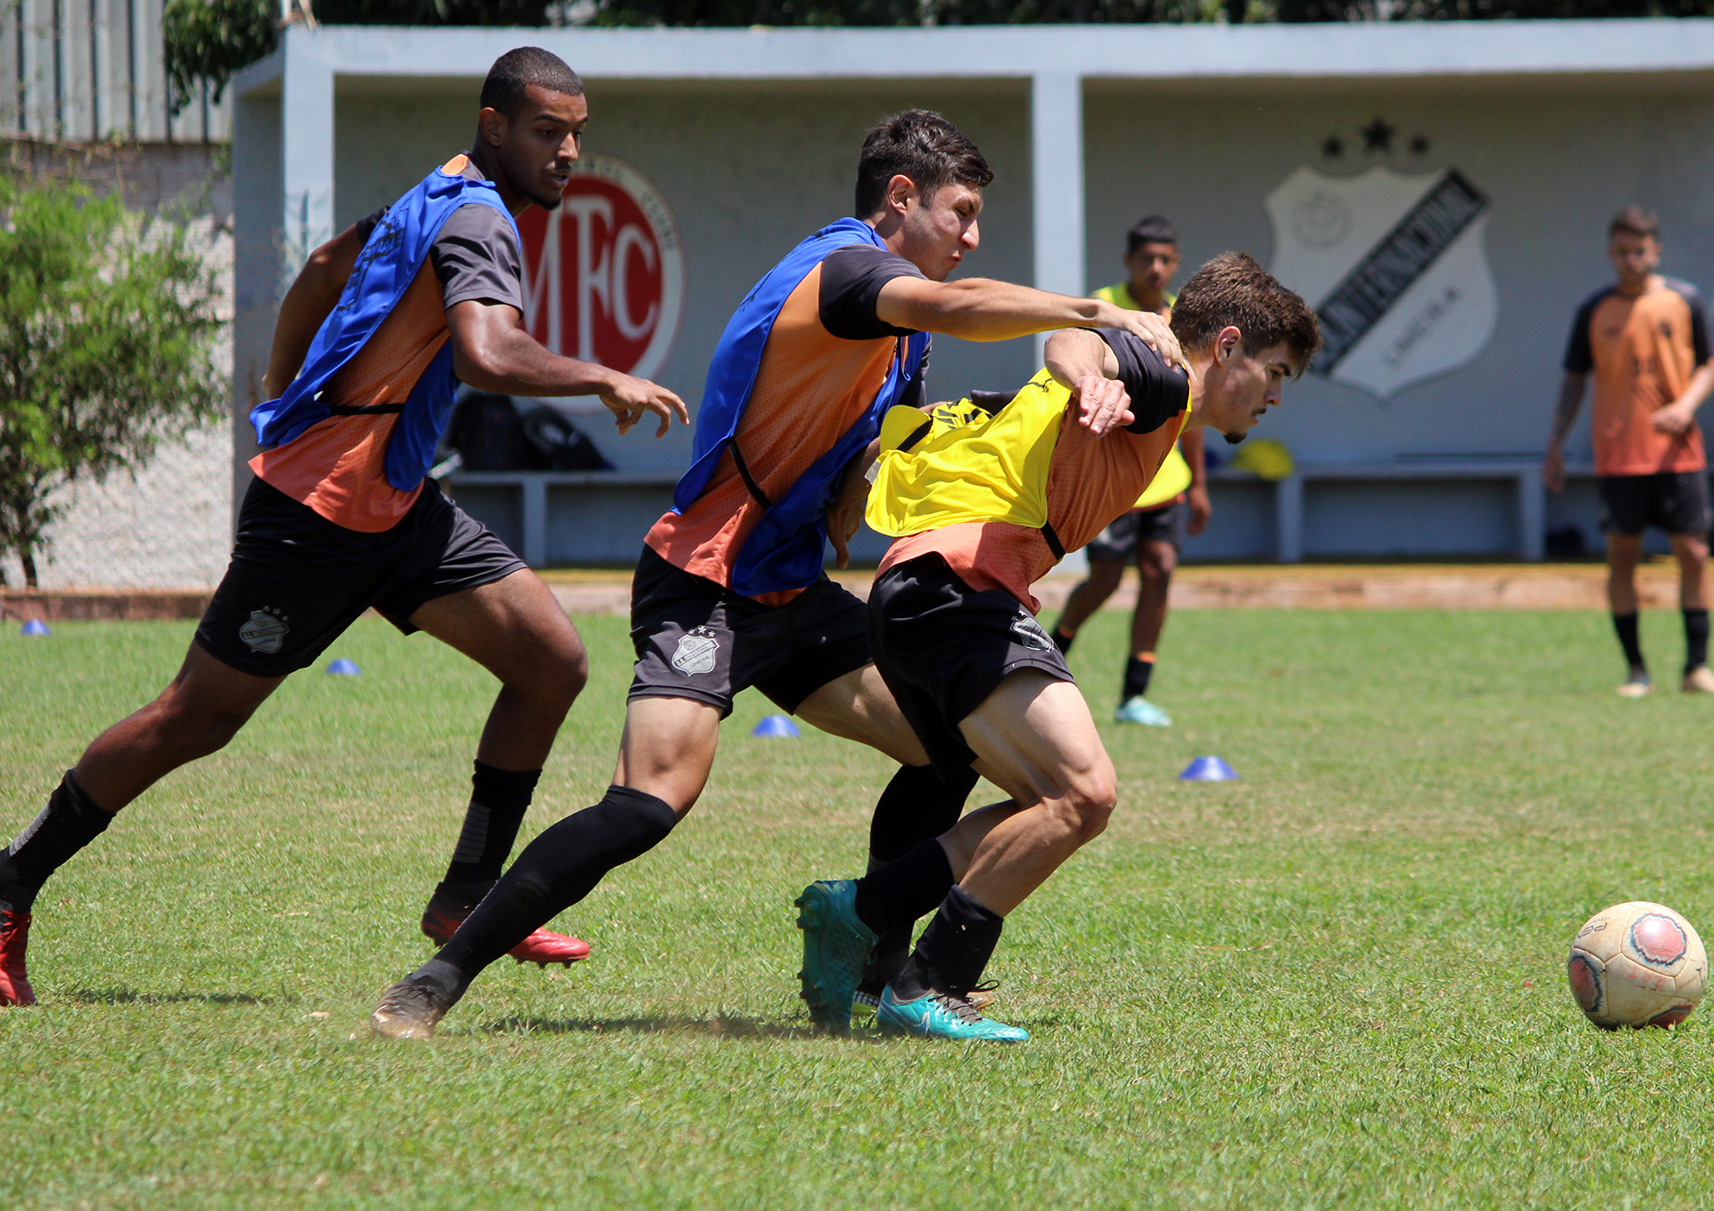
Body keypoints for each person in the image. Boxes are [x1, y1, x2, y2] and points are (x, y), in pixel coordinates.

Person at [367, 109, 1183, 1038]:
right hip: (703, 577)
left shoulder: (904, 333)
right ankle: (433, 980)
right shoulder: (844, 271)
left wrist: (856, 489)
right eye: (960, 211)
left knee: (943, 745)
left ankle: (878, 968)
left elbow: (886, 436)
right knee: (647, 803)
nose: (972, 233)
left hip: (792, 592)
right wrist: (1092, 312)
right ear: (900, 199)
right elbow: (953, 306)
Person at [0, 47, 690, 1008]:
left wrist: (281, 384)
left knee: (551, 659)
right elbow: (487, 349)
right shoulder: (478, 218)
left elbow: (321, 265)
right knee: (197, 718)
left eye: (578, 133)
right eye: (549, 132)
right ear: (494, 124)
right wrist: (601, 375)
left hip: (395, 503)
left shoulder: (434, 192)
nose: (569, 152)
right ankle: (6, 877)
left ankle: (466, 895)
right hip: (315, 516)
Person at [795, 252, 1321, 1042]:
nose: (1279, 394)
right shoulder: (1163, 371)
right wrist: (1091, 368)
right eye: (1275, 370)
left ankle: (862, 913)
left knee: (1037, 799)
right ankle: (927, 982)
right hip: (958, 588)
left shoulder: (1163, 397)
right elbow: (1079, 350)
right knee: (1083, 794)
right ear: (1228, 345)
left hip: (921, 589)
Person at [1544, 206, 1714, 698]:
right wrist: (1556, 444)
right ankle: (1636, 671)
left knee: (1693, 554)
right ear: (1611, 253)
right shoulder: (1593, 310)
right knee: (1623, 555)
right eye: (1623, 251)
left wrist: (1686, 405)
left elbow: (1709, 366)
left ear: (1656, 250)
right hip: (1619, 453)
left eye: (1641, 250)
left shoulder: (1684, 300)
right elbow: (1573, 380)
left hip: (1678, 453)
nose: (1632, 259)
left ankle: (1697, 669)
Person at [1050, 215, 1211, 727]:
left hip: (1169, 481)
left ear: (1176, 262)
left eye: (1166, 259)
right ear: (1129, 262)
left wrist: (1201, 483)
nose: (1157, 268)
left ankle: (1134, 695)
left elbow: (1196, 406)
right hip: (1119, 478)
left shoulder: (1185, 317)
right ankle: (1053, 654)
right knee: (1104, 578)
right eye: (1148, 259)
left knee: (1161, 570)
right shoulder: (1107, 307)